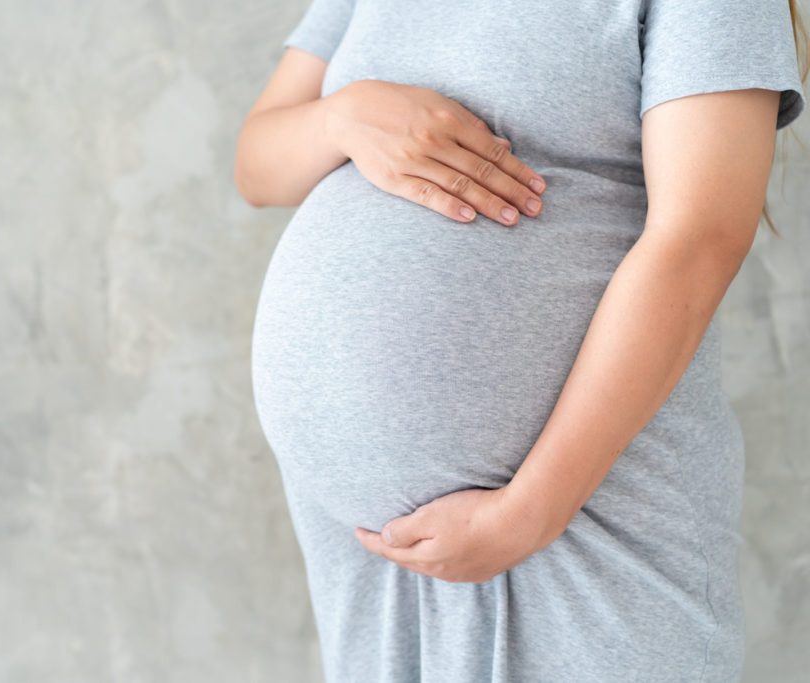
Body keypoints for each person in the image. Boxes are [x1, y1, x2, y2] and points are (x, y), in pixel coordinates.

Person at [234, 0, 808, 680]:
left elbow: (701, 238)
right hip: (370, 558)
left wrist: (529, 513)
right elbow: (257, 167)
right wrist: (341, 117)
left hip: (585, 516)